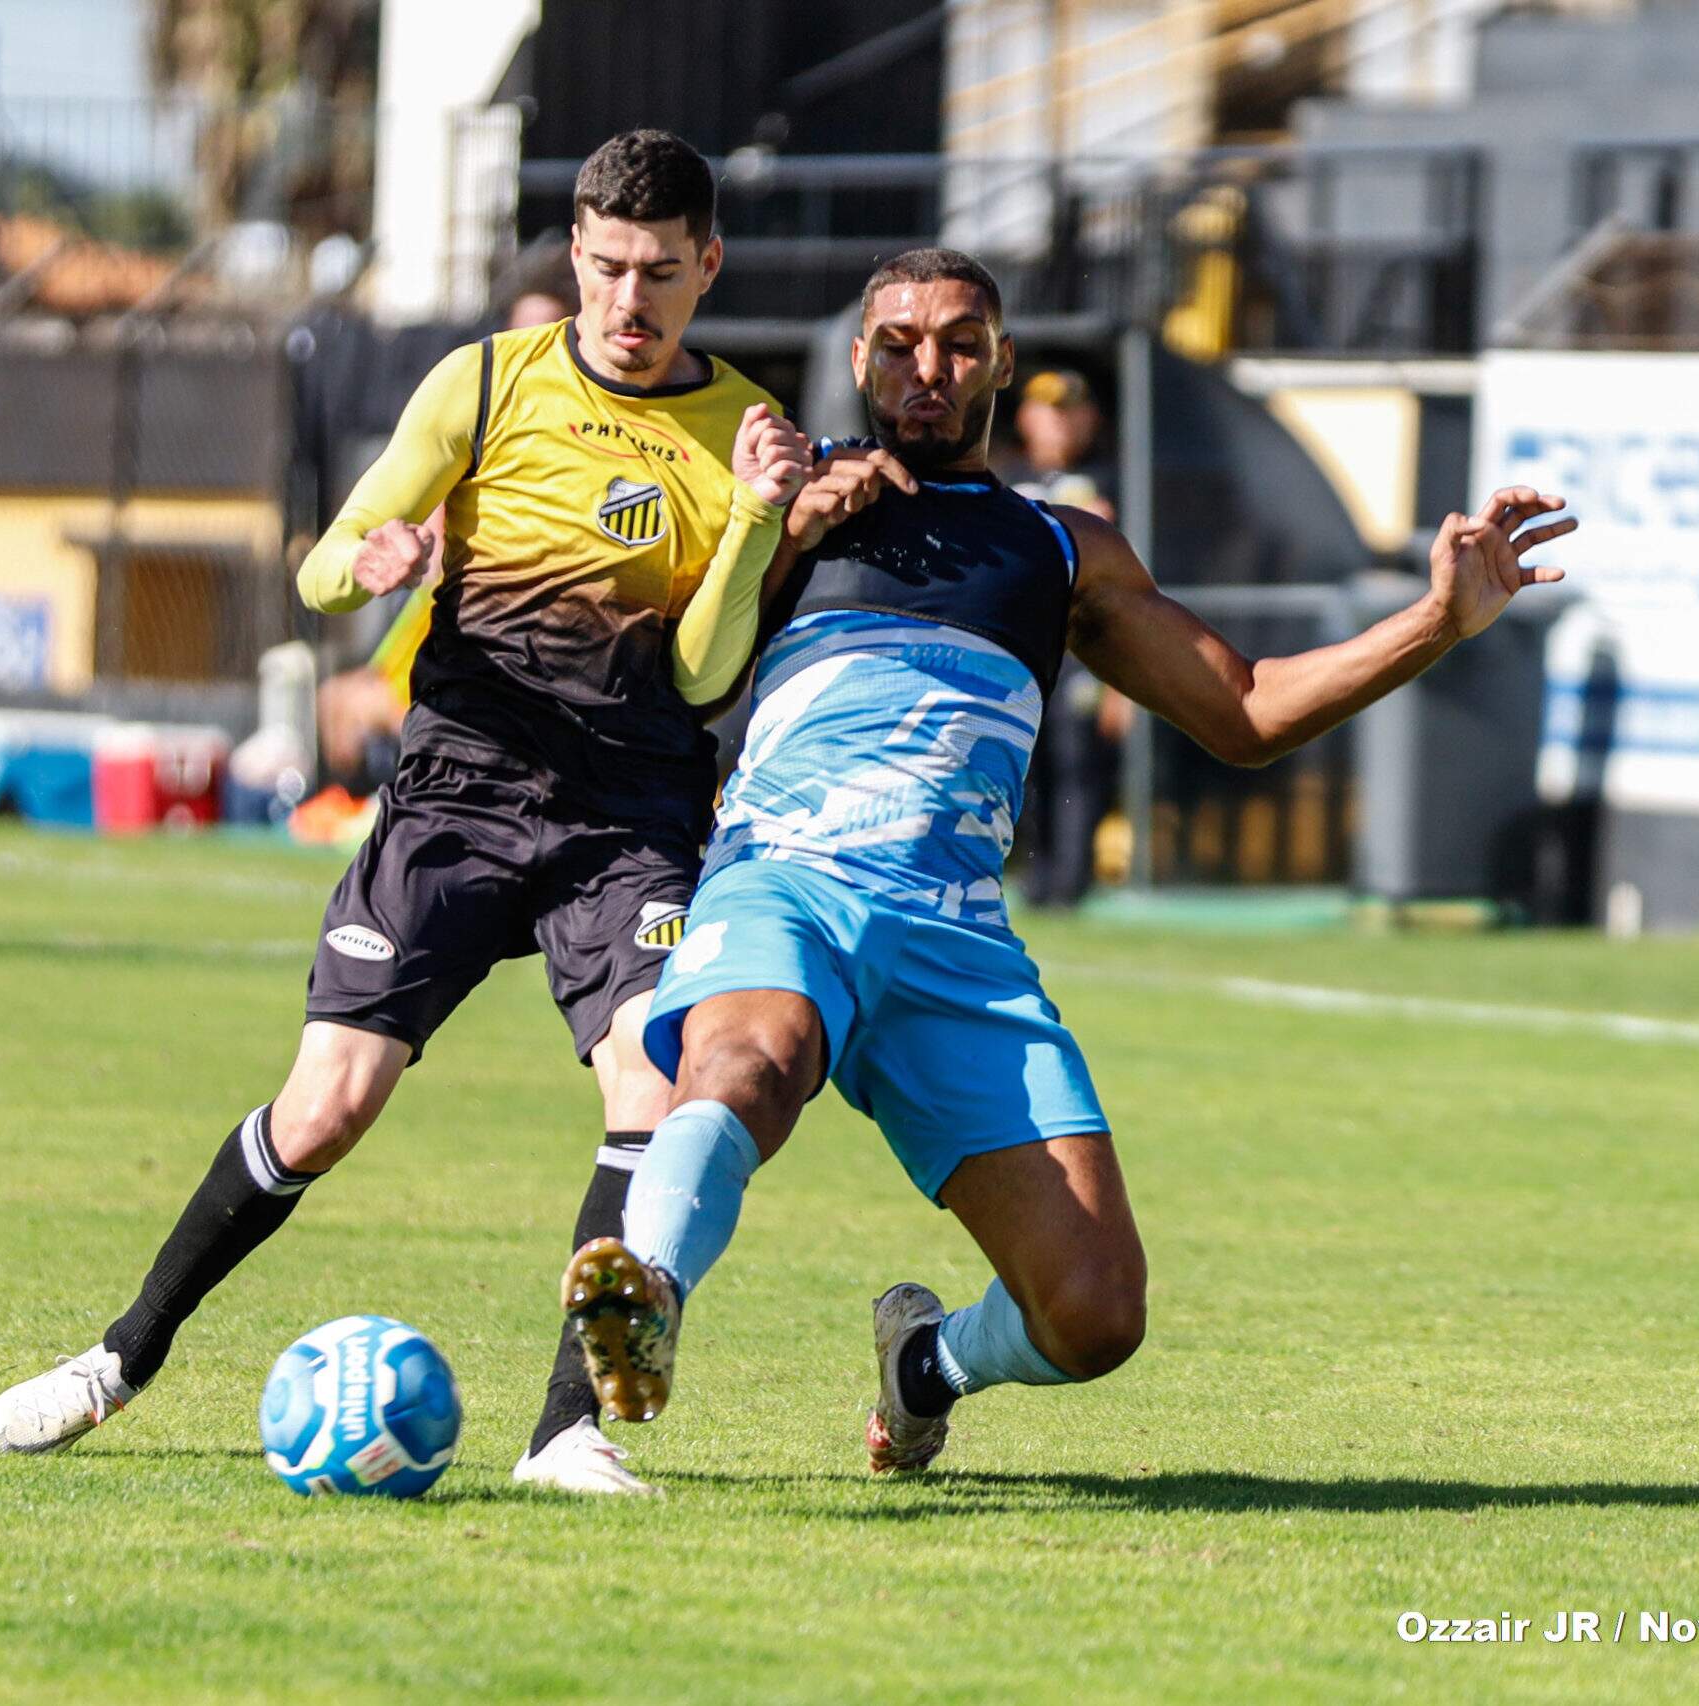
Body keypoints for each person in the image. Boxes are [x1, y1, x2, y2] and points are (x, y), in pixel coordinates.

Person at [557, 248, 1570, 1470]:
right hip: (787, 883)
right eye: (897, 343)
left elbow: (1243, 710)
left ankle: (925, 1361)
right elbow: (675, 671)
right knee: (747, 1061)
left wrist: (1434, 623)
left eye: (959, 342)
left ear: (1003, 361)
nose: (926, 369)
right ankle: (647, 1293)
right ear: (859, 359)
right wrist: (773, 522)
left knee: (1093, 1312)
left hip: (952, 937)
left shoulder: (1058, 548)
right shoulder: (788, 505)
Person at [0, 130, 814, 1497]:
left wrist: (763, 521)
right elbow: (318, 571)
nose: (630, 301)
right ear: (578, 258)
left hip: (630, 816)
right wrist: (371, 562)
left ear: (707, 266)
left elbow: (709, 670)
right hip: (459, 797)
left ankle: (567, 1432)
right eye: (607, 268)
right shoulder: (480, 383)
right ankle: (119, 1355)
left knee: (654, 1094)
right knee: (327, 1107)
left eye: (661, 271)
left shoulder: (748, 432)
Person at [1004, 368, 1124, 908]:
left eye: (1069, 413)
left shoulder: (1111, 479)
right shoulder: (1001, 476)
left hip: (1082, 651)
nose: (1059, 425)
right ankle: (1036, 873)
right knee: (1027, 759)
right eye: (1049, 412)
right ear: (1027, 418)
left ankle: (1071, 884)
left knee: (1078, 759)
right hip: (1022, 646)